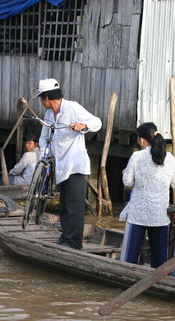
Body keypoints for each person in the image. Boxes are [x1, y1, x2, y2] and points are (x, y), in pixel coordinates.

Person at [37, 78, 102, 250]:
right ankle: (65, 237)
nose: (41, 102)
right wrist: (44, 155)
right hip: (60, 167)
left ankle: (74, 244)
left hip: (76, 166)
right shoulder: (49, 115)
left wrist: (82, 125)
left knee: (75, 208)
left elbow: (97, 122)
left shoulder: (72, 107)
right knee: (64, 206)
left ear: (47, 97)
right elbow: (43, 139)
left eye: (41, 99)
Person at [119, 122, 175, 268]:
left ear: (141, 140)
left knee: (128, 262)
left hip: (137, 214)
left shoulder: (137, 156)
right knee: (160, 264)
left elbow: (128, 183)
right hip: (159, 215)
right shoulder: (170, 158)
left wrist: (125, 174)